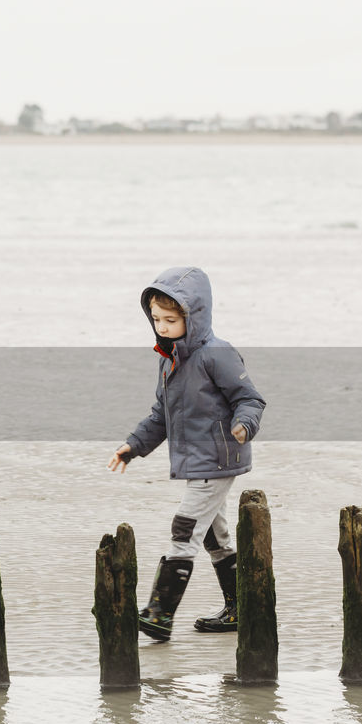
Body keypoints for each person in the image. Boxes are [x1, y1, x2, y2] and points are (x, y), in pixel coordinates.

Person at [108, 266, 265, 642]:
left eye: (171, 319)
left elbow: (250, 399)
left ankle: (159, 615)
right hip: (196, 462)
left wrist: (244, 425)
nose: (162, 326)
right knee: (215, 535)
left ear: (193, 317)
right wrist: (134, 446)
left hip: (218, 458)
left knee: (184, 528)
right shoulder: (169, 359)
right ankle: (238, 609)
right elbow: (161, 415)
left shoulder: (217, 354)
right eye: (157, 319)